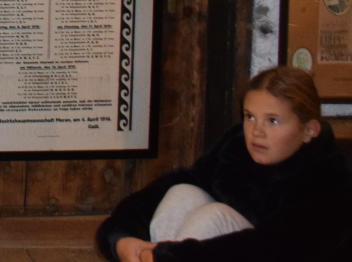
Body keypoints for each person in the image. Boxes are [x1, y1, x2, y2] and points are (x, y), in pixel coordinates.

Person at [96, 66, 352, 262]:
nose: (256, 132)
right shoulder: (236, 151)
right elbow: (180, 183)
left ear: (309, 130)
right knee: (182, 193)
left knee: (213, 216)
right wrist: (122, 238)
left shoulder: (328, 177)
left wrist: (173, 256)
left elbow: (277, 246)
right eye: (250, 117)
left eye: (272, 121)